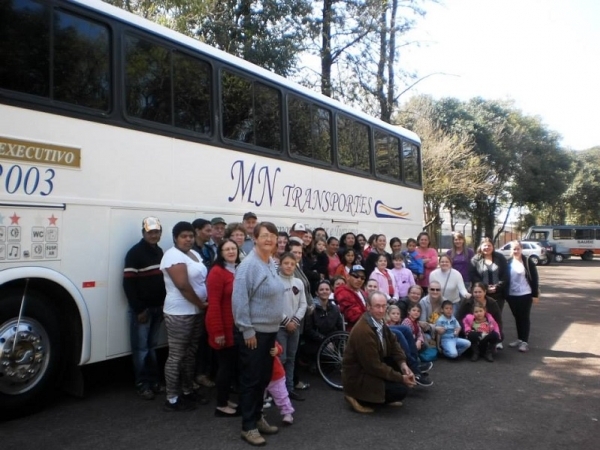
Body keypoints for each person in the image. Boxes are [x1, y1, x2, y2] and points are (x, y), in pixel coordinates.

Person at [232, 221, 285, 446]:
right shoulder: (248, 266)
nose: (269, 239)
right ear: (254, 238)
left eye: (272, 235)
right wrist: (247, 330)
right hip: (254, 334)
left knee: (263, 379)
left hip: (269, 332)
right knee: (251, 381)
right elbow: (239, 301)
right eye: (264, 235)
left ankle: (257, 417)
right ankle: (248, 427)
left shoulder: (270, 263)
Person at [160, 221, 209, 411]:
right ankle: (172, 398)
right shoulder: (172, 255)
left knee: (190, 354)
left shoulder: (194, 253)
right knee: (177, 356)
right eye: (183, 236)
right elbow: (182, 285)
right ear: (175, 238)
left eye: (190, 236)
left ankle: (188, 391)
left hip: (195, 312)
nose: (188, 239)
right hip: (179, 313)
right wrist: (200, 303)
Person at [342, 291, 417, 413]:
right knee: (400, 391)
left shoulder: (378, 321)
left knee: (401, 369)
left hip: (369, 368)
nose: (381, 310)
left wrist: (403, 364)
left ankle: (380, 395)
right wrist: (400, 378)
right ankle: (355, 397)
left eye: (384, 306)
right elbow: (373, 366)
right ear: (368, 307)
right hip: (358, 376)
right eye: (377, 306)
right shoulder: (364, 331)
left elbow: (393, 343)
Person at [123, 216, 166, 400]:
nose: (153, 235)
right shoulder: (134, 253)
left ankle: (154, 382)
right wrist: (139, 309)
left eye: (156, 232)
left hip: (157, 308)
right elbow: (128, 284)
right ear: (143, 233)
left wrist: (163, 304)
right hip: (143, 310)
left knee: (152, 348)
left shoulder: (159, 252)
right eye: (150, 232)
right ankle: (142, 384)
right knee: (141, 350)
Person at [206, 239, 241, 417]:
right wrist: (218, 331)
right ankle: (221, 405)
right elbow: (213, 304)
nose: (231, 251)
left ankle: (226, 399)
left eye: (233, 248)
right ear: (220, 253)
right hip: (224, 326)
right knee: (225, 368)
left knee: (232, 366)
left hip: (236, 326)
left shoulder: (238, 269)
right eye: (227, 249)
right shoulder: (217, 272)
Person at [277, 252, 307, 401]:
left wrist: (294, 321)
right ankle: (278, 391)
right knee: (280, 359)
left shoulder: (298, 282)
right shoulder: (275, 282)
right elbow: (273, 305)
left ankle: (289, 389)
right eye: (286, 263)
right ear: (280, 264)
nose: (289, 266)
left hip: (294, 327)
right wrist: (286, 322)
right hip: (280, 327)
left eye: (292, 264)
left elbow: (303, 304)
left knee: (291, 358)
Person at [469, 237, 508, 349]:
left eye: (489, 245)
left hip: (498, 293)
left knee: (496, 316)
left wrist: (497, 286)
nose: (487, 247)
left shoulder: (500, 258)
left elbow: (505, 274)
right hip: (482, 293)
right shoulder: (475, 259)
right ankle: (483, 338)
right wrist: (485, 287)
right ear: (481, 247)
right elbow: (473, 276)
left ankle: (498, 338)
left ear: (493, 246)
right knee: (482, 316)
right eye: (485, 245)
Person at [506, 240, 540, 353]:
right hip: (512, 295)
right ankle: (520, 339)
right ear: (511, 250)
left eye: (518, 249)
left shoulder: (527, 262)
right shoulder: (508, 262)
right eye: (514, 249)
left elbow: (534, 278)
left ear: (521, 249)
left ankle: (524, 342)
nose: (516, 251)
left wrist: (535, 294)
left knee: (524, 317)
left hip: (525, 294)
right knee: (517, 317)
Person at [301, 280, 344, 365]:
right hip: (315, 342)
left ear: (330, 291)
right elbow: (308, 330)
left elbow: (340, 327)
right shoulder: (312, 309)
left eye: (327, 289)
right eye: (321, 290)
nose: (324, 291)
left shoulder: (335, 309)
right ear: (317, 293)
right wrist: (325, 341)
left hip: (331, 341)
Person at [267, 342, 295, 425]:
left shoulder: (269, 339)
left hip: (275, 375)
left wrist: (277, 350)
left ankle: (288, 413)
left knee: (281, 396)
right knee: (256, 397)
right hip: (259, 375)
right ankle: (258, 414)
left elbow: (279, 347)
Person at [334, 265, 368, 330]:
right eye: (356, 276)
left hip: (366, 326)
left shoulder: (364, 293)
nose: (359, 279)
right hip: (353, 330)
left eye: (362, 278)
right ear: (348, 277)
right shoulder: (342, 292)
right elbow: (354, 316)